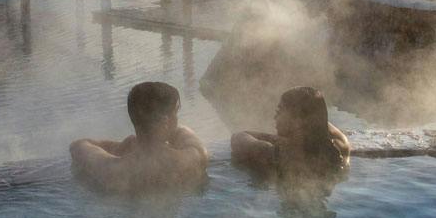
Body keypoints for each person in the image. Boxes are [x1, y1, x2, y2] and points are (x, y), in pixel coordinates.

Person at [70, 81, 209, 195]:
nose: (177, 119)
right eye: (176, 113)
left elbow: (78, 146)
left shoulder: (114, 170)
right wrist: (165, 130)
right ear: (167, 121)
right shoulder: (187, 159)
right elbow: (190, 138)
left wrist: (121, 147)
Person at [230, 86, 350, 179]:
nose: (275, 117)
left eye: (279, 111)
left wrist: (279, 140)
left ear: (297, 121)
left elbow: (238, 137)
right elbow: (321, 122)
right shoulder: (339, 149)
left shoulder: (275, 154)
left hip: (290, 200)